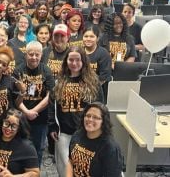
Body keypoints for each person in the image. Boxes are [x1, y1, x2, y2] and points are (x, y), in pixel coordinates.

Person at [49, 46, 103, 177]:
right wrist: (52, 126)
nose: (74, 63)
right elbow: (52, 106)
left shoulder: (93, 82)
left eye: (77, 60)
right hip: (64, 133)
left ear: (83, 61)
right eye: (70, 60)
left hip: (86, 132)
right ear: (66, 61)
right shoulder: (59, 81)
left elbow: (100, 106)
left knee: (84, 167)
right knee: (64, 167)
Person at [14, 41, 55, 166]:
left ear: (41, 55)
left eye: (37, 54)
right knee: (20, 147)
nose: (34, 57)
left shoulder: (46, 70)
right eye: (31, 54)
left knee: (38, 148)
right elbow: (14, 96)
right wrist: (26, 112)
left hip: (40, 118)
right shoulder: (18, 70)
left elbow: (50, 96)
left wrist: (34, 111)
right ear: (26, 55)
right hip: (21, 117)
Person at [66, 102, 123, 177]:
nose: (90, 119)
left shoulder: (110, 148)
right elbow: (70, 161)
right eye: (88, 116)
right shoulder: (77, 135)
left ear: (103, 121)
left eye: (95, 117)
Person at [0, 109, 40, 177]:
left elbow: (35, 173)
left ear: (19, 128)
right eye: (6, 123)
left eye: (14, 126)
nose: (8, 128)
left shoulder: (27, 147)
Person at [83, 26, 112, 103]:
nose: (88, 39)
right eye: (86, 36)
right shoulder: (79, 52)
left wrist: (89, 89)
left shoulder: (103, 54)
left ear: (97, 38)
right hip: (80, 89)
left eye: (92, 36)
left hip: (97, 91)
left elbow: (103, 78)